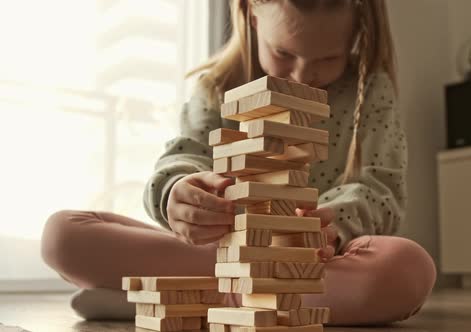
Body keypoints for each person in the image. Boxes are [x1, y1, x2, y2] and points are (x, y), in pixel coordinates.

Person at [41, 0, 436, 325]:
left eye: (328, 58)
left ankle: (181, 295)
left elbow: (380, 189)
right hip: (220, 249)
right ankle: (239, 292)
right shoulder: (216, 86)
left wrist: (331, 224)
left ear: (357, 32)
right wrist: (179, 193)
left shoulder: (372, 90)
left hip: (315, 263)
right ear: (250, 12)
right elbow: (184, 154)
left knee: (408, 268)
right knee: (62, 235)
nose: (303, 75)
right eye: (284, 53)